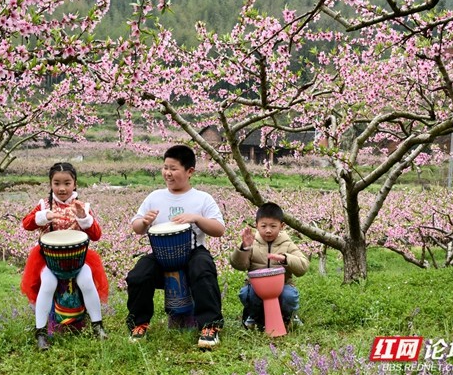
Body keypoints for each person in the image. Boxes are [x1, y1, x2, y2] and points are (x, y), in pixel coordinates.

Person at [125, 145, 226, 349]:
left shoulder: (202, 198)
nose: (168, 173)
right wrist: (144, 222)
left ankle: (210, 326)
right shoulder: (155, 197)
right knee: (138, 275)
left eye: (173, 168)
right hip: (161, 254)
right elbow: (136, 227)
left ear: (190, 171)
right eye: (165, 167)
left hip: (193, 252)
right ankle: (139, 323)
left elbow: (219, 229)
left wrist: (196, 218)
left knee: (203, 269)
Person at [20, 162, 109, 350]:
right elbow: (26, 224)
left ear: (75, 184)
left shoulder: (82, 206)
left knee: (86, 281)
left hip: (77, 260)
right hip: (48, 260)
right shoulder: (44, 205)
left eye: (67, 183)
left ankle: (97, 325)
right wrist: (43, 217)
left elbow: (96, 235)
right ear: (50, 184)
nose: (62, 188)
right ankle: (40, 331)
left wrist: (84, 218)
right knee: (48, 284)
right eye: (57, 183)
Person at [230, 202, 309, 331]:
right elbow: (239, 265)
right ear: (256, 225)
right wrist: (244, 248)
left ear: (281, 226)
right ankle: (255, 317)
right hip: (256, 286)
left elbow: (303, 266)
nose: (268, 230)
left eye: (273, 226)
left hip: (282, 285)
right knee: (246, 293)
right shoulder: (251, 242)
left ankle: (288, 317)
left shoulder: (287, 244)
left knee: (289, 295)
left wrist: (286, 258)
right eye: (263, 226)